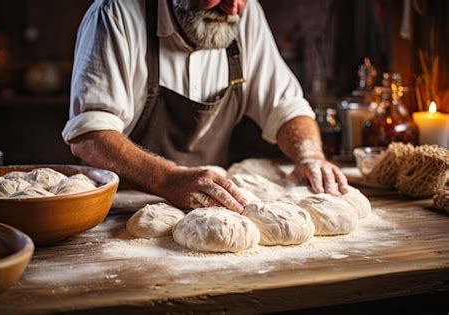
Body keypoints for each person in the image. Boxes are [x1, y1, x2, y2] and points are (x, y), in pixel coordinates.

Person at [62, 0, 349, 214]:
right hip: (120, 208)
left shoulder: (243, 15)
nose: (233, 7)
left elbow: (285, 105)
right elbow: (90, 135)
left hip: (210, 207)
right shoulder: (116, 14)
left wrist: (309, 155)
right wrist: (167, 178)